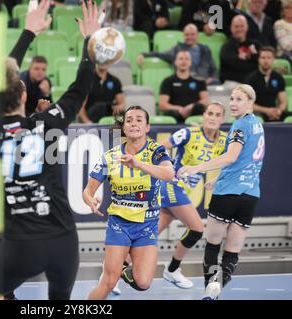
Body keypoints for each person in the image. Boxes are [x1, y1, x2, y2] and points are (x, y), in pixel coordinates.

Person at [0, 0, 100, 300]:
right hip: (63, 242)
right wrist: (89, 42)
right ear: (24, 93)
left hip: (19, 243)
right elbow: (81, 88)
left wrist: (28, 31)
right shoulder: (50, 122)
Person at [178, 84, 265, 300]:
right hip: (250, 195)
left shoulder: (239, 126)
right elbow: (245, 161)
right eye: (232, 99)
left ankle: (210, 290)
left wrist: (196, 168)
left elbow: (231, 157)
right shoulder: (258, 126)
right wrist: (217, 178)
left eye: (239, 99)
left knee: (212, 245)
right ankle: (216, 288)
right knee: (233, 251)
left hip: (227, 194)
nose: (233, 103)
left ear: (250, 103)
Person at [84, 106, 174, 300]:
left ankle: (123, 271)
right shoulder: (111, 156)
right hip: (119, 224)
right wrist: (91, 200)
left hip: (147, 224)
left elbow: (169, 173)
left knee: (143, 283)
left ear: (147, 127)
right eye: (129, 120)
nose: (134, 123)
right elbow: (88, 191)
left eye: (139, 120)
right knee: (108, 282)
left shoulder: (156, 151)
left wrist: (138, 164)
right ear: (124, 127)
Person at [158, 102, 227, 289]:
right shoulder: (189, 133)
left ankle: (115, 271)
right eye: (209, 113)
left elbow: (230, 162)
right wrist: (168, 167)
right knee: (197, 228)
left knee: (149, 235)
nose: (212, 117)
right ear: (203, 115)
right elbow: (158, 149)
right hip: (172, 186)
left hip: (183, 191)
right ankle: (172, 270)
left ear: (223, 119)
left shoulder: (224, 140)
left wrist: (218, 179)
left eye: (217, 114)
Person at [138, 24, 219, 84]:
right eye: (187, 34)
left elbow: (213, 68)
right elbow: (161, 54)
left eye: (192, 34)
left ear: (197, 35)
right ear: (183, 36)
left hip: (205, 82)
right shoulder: (178, 49)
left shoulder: (205, 50)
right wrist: (144, 54)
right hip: (187, 82)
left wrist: (212, 78)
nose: (189, 37)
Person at [159, 50, 209, 123]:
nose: (184, 61)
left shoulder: (199, 81)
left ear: (190, 62)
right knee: (171, 113)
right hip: (176, 114)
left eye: (186, 59)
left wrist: (190, 107)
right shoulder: (168, 81)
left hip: (194, 113)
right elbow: (162, 105)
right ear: (175, 62)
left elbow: (206, 101)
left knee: (199, 107)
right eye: (181, 59)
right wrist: (179, 108)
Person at [245, 46, 291, 122]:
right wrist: (267, 111)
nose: (266, 61)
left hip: (274, 112)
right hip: (258, 112)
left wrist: (278, 111)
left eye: (269, 58)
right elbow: (248, 104)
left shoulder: (279, 78)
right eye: (263, 58)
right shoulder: (250, 79)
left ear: (273, 60)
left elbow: (283, 102)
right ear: (259, 60)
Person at [220, 15, 259, 84]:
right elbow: (235, 64)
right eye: (236, 26)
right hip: (233, 82)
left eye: (242, 26)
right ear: (231, 28)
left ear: (247, 27)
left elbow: (261, 63)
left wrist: (247, 58)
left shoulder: (255, 44)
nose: (239, 29)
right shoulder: (227, 47)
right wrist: (252, 59)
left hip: (253, 82)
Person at [273, 0, 292, 67]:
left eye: (291, 8)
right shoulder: (279, 24)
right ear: (283, 10)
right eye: (287, 8)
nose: (289, 10)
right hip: (284, 57)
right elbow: (285, 46)